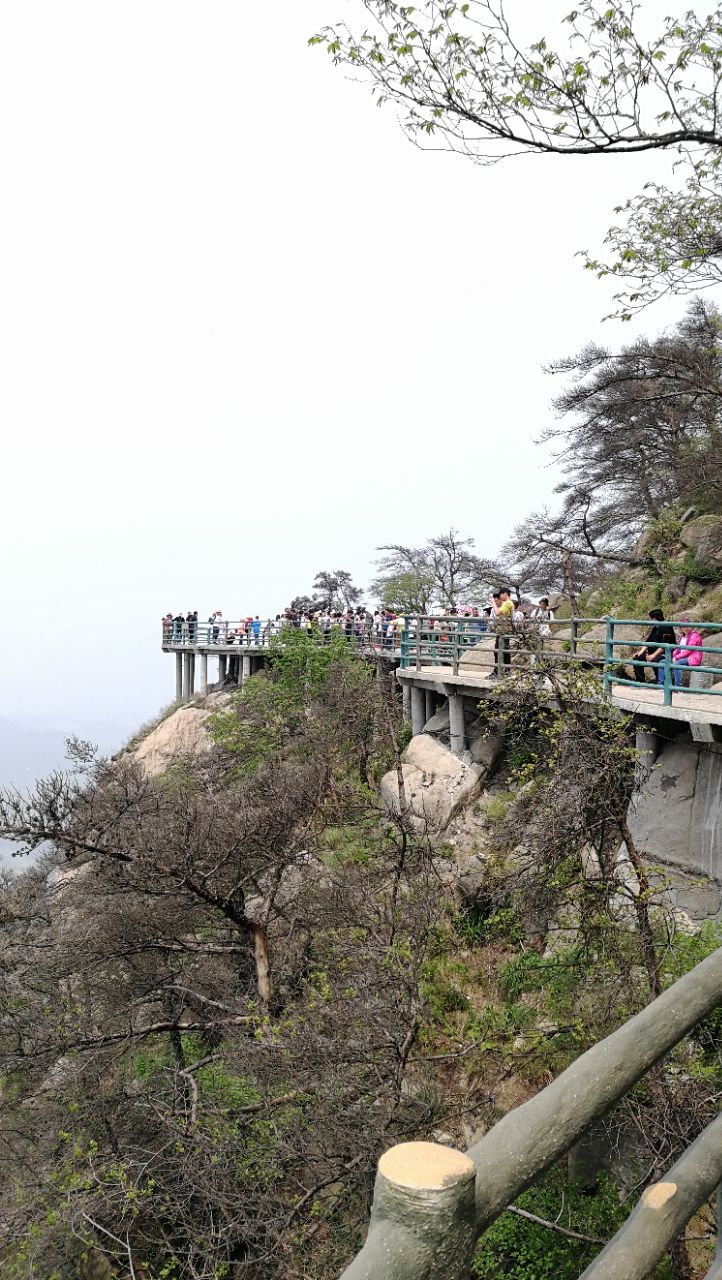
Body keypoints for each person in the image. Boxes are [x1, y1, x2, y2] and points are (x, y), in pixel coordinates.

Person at [628, 609, 677, 684]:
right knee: (637, 658)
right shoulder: (655, 628)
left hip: (665, 653)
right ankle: (640, 682)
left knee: (656, 660)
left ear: (654, 618)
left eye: (650, 618)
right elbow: (648, 641)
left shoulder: (666, 627)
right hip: (652, 652)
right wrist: (641, 652)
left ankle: (661, 682)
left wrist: (652, 655)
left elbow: (664, 645)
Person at [489, 588, 514, 679]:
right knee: (505, 652)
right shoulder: (510, 603)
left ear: (504, 594)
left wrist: (493, 603)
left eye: (500, 595)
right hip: (504, 630)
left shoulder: (507, 603)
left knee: (498, 652)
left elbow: (498, 612)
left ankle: (497, 672)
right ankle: (506, 671)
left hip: (503, 631)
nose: (500, 597)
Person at [672, 619, 704, 688]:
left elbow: (688, 650)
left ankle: (677, 687)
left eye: (687, 626)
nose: (685, 628)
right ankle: (661, 685)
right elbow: (678, 649)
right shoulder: (682, 636)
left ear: (690, 626)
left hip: (692, 658)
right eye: (683, 627)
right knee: (663, 662)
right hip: (682, 657)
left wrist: (676, 658)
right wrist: (671, 656)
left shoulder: (694, 636)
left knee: (676, 664)